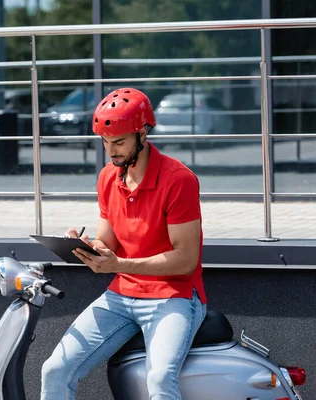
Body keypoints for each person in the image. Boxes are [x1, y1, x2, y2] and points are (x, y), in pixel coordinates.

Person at [41, 87, 207, 400]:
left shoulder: (178, 179)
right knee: (54, 370)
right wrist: (86, 246)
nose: (111, 151)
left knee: (158, 380)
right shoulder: (108, 177)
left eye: (118, 142)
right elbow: (108, 242)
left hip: (174, 295)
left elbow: (186, 259)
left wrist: (120, 265)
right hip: (121, 295)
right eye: (105, 142)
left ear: (142, 133)